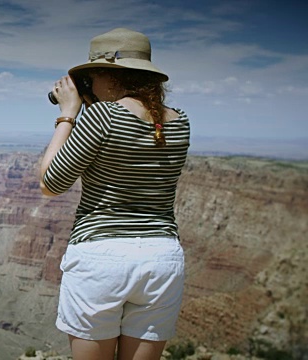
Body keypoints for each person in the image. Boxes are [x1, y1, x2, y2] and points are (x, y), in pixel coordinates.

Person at [39, 28, 190, 360]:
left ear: (110, 74)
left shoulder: (100, 116)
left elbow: (50, 182)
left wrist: (67, 114)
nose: (89, 83)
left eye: (92, 75)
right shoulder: (178, 122)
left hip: (102, 258)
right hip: (161, 260)